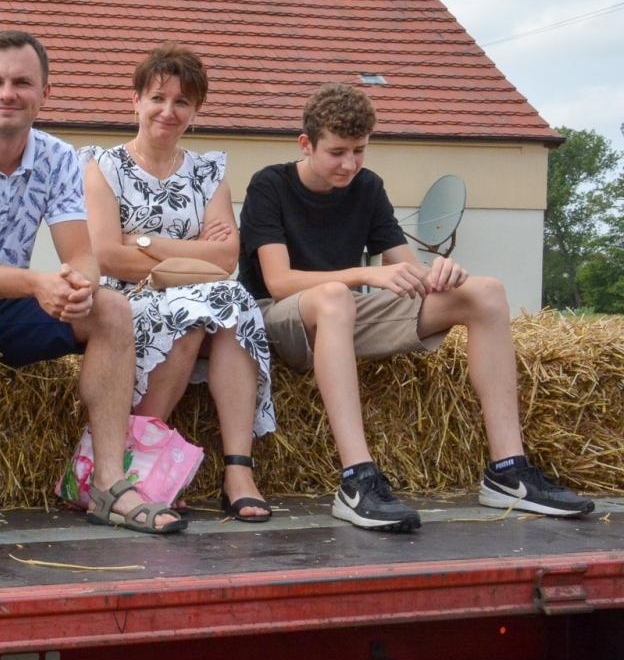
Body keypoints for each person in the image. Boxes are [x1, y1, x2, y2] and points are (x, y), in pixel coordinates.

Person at [238, 83, 593, 531]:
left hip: (342, 317)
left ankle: (508, 470)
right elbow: (279, 280)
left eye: (360, 151)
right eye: (337, 152)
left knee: (486, 292)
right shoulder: (270, 184)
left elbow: (405, 269)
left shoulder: (367, 187)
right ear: (305, 144)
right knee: (334, 296)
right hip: (276, 320)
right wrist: (364, 274)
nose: (350, 164)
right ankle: (356, 480)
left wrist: (440, 275)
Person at [0, 30, 185, 548]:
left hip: (7, 304)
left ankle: (107, 484)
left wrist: (77, 286)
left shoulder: (58, 157)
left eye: (22, 83)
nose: (7, 93)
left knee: (113, 308)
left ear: (44, 94)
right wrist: (37, 281)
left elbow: (80, 254)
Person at [80, 44, 275, 522]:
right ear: (136, 101)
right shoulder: (101, 167)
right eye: (157, 98)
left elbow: (226, 261)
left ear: (196, 110)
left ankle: (238, 468)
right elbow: (107, 255)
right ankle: (137, 468)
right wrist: (193, 251)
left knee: (228, 303)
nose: (168, 111)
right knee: (194, 314)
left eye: (182, 102)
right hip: (123, 302)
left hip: (200, 296)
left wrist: (143, 239)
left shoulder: (209, 173)